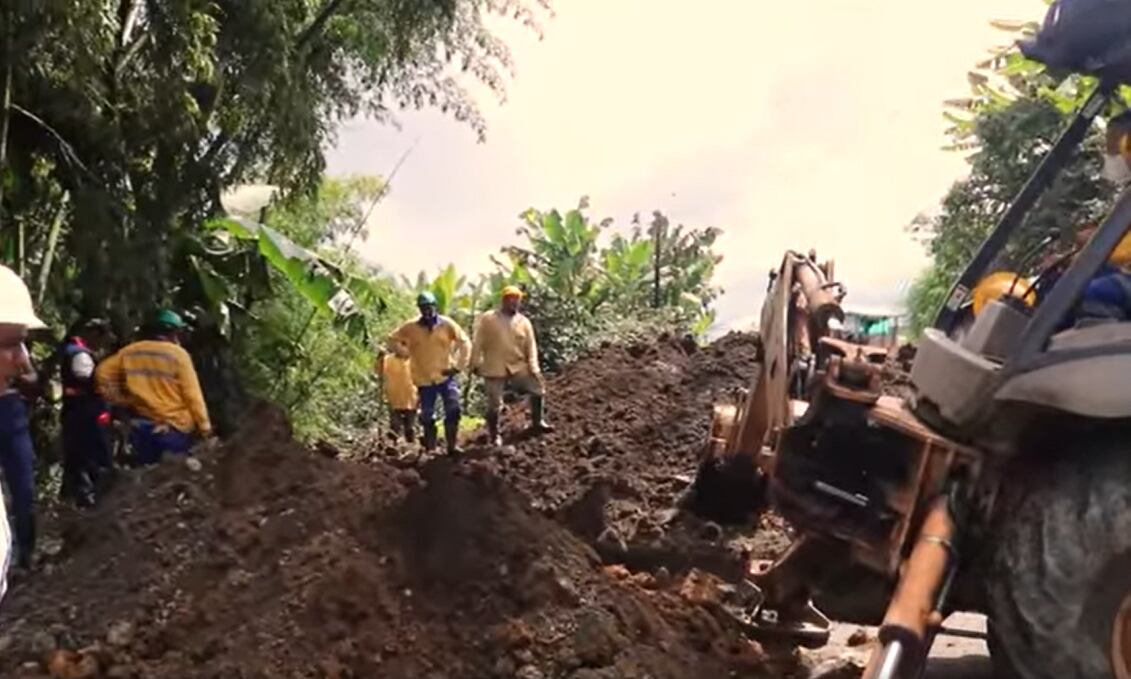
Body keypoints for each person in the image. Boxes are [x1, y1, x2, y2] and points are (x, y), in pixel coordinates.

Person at [96, 309, 212, 465]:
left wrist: (120, 399)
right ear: (175, 332)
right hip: (174, 427)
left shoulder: (131, 351)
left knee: (144, 472)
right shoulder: (179, 355)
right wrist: (205, 428)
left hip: (142, 425)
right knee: (171, 472)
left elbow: (102, 373)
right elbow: (193, 395)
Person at [0, 265, 46, 583]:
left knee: (23, 487)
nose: (21, 358)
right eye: (9, 345)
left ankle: (25, 552)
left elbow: (31, 379)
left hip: (9, 408)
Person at [471, 286, 554, 447]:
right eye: (510, 299)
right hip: (494, 365)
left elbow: (531, 346)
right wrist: (475, 363)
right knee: (494, 403)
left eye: (517, 300)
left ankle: (537, 422)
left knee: (538, 389)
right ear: (503, 300)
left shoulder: (524, 322)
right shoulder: (489, 319)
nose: (514, 303)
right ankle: (494, 436)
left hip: (518, 364)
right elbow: (478, 341)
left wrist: (534, 367)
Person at [388, 292, 470, 455]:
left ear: (435, 307)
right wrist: (403, 352)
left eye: (429, 307)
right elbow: (392, 339)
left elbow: (465, 342)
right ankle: (431, 449)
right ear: (419, 309)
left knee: (453, 409)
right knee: (427, 416)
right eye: (423, 308)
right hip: (424, 379)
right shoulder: (411, 327)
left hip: (445, 376)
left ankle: (452, 446)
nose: (427, 311)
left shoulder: (447, 324)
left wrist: (458, 366)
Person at [57, 319, 114, 507]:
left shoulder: (74, 351)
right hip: (84, 414)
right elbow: (88, 379)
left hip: (79, 413)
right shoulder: (80, 355)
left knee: (81, 456)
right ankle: (86, 499)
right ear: (94, 334)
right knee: (87, 456)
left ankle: (83, 496)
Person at [375, 348, 417, 442]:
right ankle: (393, 444)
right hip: (394, 397)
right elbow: (379, 371)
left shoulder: (414, 360)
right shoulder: (388, 360)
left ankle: (411, 444)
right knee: (395, 425)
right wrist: (379, 359)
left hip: (411, 398)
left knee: (410, 427)